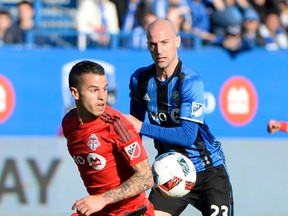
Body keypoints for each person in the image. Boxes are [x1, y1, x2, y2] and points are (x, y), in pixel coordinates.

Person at [125, 19, 234, 216]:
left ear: (177, 41)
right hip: (169, 171)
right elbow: (134, 135)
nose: (159, 50)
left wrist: (142, 127)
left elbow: (187, 136)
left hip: (208, 170)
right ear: (148, 46)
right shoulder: (140, 80)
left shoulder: (190, 82)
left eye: (165, 42)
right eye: (153, 44)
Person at [61, 60, 154, 216]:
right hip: (100, 211)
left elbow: (145, 178)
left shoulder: (116, 126)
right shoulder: (69, 123)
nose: (102, 97)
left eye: (104, 89)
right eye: (94, 90)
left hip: (132, 212)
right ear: (75, 93)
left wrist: (102, 199)